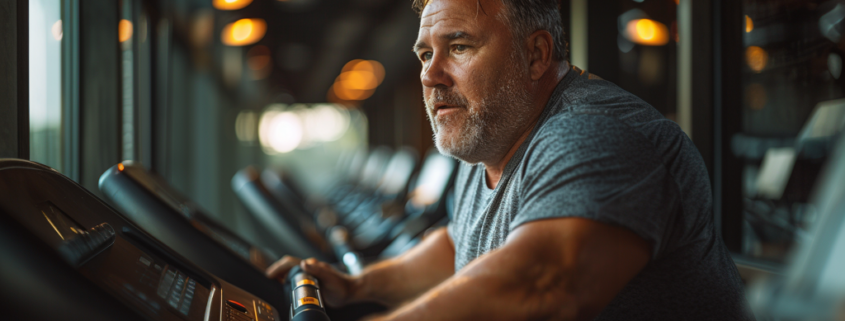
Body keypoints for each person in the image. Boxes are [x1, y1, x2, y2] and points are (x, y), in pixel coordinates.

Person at [268, 0, 754, 319]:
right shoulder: (490, 148)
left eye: (458, 47)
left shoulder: (595, 133)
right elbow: (458, 248)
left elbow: (539, 281)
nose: (431, 75)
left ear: (536, 55)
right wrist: (356, 287)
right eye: (423, 55)